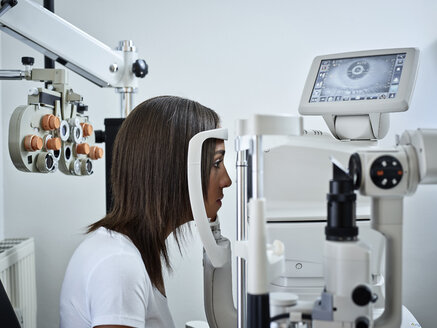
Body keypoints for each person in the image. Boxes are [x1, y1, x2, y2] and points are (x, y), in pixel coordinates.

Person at [59, 96, 232, 328]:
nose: (227, 180)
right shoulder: (119, 265)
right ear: (174, 170)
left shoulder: (131, 252)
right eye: (216, 163)